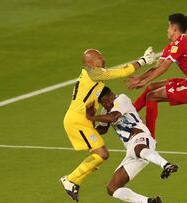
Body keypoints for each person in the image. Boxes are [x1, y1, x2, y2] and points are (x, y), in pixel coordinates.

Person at [60, 48, 155, 201]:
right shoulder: (94, 73)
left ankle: (73, 181)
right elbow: (119, 72)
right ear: (90, 62)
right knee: (101, 154)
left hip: (84, 120)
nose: (102, 60)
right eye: (99, 58)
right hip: (77, 121)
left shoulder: (93, 76)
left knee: (101, 155)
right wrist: (143, 61)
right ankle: (70, 180)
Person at [127, 13, 187, 138]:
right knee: (152, 86)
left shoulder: (181, 43)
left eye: (168, 26)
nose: (167, 30)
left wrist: (144, 81)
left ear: (174, 28)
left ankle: (150, 137)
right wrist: (140, 78)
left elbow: (165, 67)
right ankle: (128, 114)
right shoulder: (172, 46)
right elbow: (158, 66)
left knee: (152, 96)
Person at [86, 86, 178, 203]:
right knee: (112, 188)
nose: (107, 105)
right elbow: (101, 130)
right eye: (104, 104)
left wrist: (91, 117)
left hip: (141, 137)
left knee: (139, 149)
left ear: (112, 95)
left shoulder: (122, 99)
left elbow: (114, 117)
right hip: (131, 149)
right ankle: (149, 201)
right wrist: (91, 120)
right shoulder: (105, 112)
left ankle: (166, 164)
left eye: (108, 101)